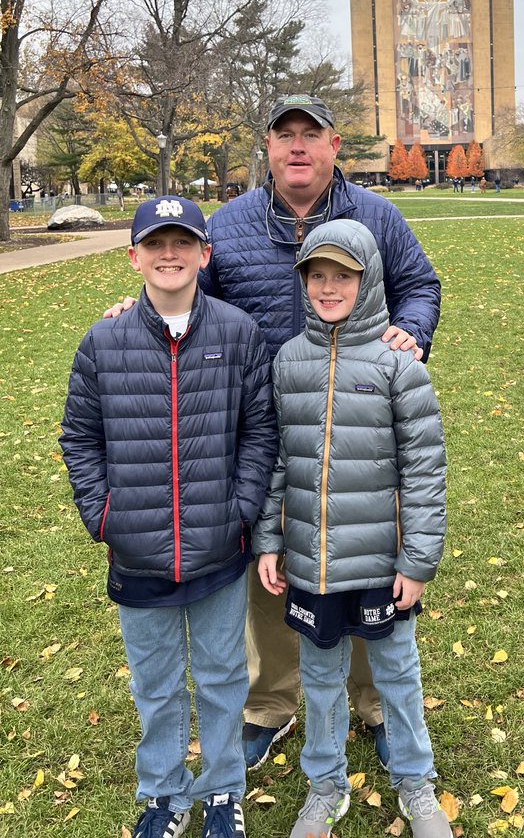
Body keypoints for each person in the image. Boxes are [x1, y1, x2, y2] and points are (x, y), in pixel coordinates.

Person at [107, 95, 441, 771]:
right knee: (273, 558)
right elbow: (187, 295)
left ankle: (372, 701)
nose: (297, 147)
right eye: (284, 135)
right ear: (268, 146)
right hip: (260, 417)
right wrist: (136, 311)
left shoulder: (376, 216)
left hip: (360, 417)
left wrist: (414, 329)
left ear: (334, 146)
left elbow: (420, 284)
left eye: (309, 136)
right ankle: (272, 703)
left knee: (367, 548)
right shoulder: (228, 227)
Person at [60, 197, 280, 838]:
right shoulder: (104, 341)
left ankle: (220, 792)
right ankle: (162, 793)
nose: (169, 254)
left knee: (220, 678)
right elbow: (80, 438)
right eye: (155, 244)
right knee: (155, 686)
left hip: (219, 548)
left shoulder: (238, 332)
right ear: (134, 256)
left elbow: (259, 431)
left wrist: (239, 509)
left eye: (182, 242)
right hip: (137, 551)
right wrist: (105, 516)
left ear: (204, 254)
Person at [254, 219, 451, 838]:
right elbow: (280, 460)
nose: (330, 287)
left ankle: (416, 783)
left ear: (366, 281)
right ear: (304, 282)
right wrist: (268, 538)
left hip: (380, 561)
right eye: (318, 275)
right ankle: (325, 786)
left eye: (343, 275)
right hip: (311, 559)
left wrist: (417, 561)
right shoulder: (289, 361)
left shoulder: (399, 366)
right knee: (319, 676)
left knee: (396, 670)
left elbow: (425, 472)